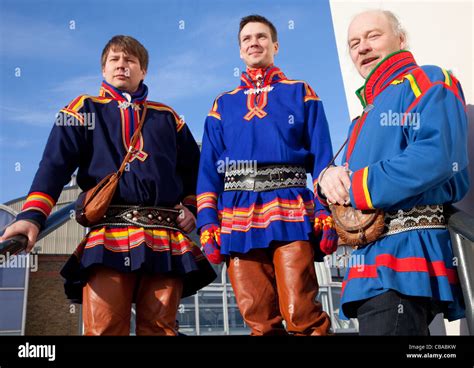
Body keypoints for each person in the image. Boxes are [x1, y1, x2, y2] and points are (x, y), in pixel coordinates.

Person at [0, 35, 216, 335]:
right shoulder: (82, 108)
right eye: (114, 60)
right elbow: (54, 165)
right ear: (103, 70)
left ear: (143, 71)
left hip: (164, 234)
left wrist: (192, 208)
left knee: (160, 329)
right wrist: (30, 217)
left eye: (130, 61)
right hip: (109, 234)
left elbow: (197, 170)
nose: (122, 66)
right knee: (104, 327)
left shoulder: (168, 117)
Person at [317, 10, 469, 335]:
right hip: (369, 263)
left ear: (401, 40)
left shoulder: (428, 79)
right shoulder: (359, 120)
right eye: (354, 43)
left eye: (373, 36)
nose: (362, 48)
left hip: (404, 255)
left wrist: (356, 187)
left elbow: (437, 155)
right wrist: (328, 180)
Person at [196, 15, 337, 336]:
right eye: (247, 39)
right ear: (240, 52)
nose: (254, 42)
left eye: (261, 37)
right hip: (236, 214)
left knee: (302, 312)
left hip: (290, 207)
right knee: (259, 319)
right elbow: (208, 170)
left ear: (275, 45)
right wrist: (207, 224)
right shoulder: (222, 103)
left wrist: (326, 211)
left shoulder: (301, 92)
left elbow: (323, 158)